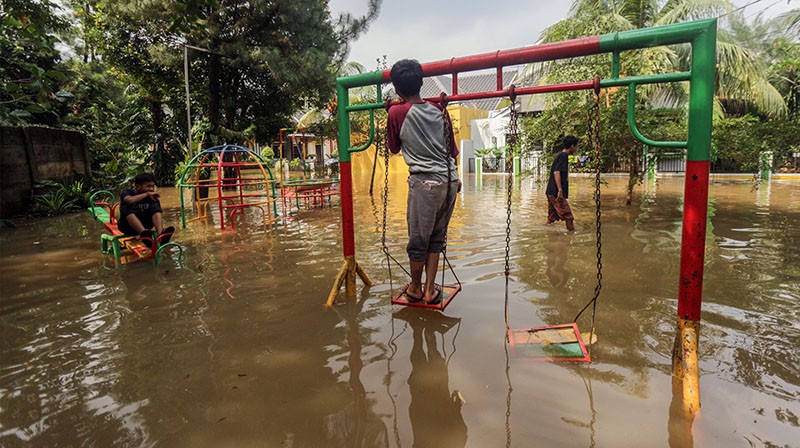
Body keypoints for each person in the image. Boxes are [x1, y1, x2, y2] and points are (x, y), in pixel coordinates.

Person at [387, 59, 460, 305]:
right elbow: (452, 150)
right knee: (436, 238)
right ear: (421, 83)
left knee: (418, 240)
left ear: (397, 89)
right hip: (450, 181)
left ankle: (416, 289)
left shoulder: (396, 112)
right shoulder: (440, 110)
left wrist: (392, 109)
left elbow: (394, 148)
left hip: (426, 184)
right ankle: (430, 290)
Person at [118, 173, 174, 246]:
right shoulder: (127, 192)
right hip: (127, 227)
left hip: (146, 225)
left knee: (155, 207)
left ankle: (160, 235)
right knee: (127, 209)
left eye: (152, 186)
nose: (151, 189)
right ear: (138, 186)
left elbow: (156, 211)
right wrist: (147, 194)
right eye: (148, 186)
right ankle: (144, 234)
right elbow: (129, 200)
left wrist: (154, 199)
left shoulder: (151, 196)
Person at [545, 135, 579, 231]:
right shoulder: (563, 156)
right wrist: (560, 190)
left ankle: (548, 234)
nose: (576, 149)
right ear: (572, 146)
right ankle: (571, 235)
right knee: (568, 217)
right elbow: (557, 172)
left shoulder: (561, 156)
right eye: (576, 146)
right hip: (556, 193)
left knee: (551, 218)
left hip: (551, 192)